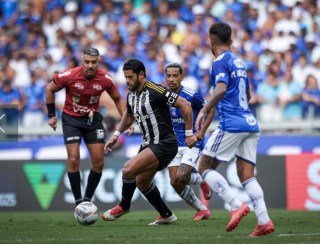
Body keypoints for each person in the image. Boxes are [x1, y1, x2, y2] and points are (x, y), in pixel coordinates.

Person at [195, 22, 274, 237]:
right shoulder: (239, 60)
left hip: (232, 123)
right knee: (246, 175)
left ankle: (235, 204)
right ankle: (264, 221)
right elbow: (247, 95)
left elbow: (220, 89)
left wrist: (204, 109)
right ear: (231, 38)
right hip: (250, 122)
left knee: (203, 167)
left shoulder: (219, 62)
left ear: (211, 39)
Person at [102, 58, 198, 225]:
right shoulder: (131, 94)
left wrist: (189, 134)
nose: (127, 81)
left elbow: (185, 104)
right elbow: (129, 116)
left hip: (165, 143)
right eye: (125, 77)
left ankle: (124, 206)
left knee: (127, 169)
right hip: (148, 143)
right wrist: (116, 134)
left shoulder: (156, 90)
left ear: (141, 75)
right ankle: (166, 214)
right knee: (142, 182)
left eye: (130, 77)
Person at [45, 47, 126, 206]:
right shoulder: (69, 75)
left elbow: (117, 99)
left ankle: (87, 200)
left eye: (93, 62)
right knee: (74, 159)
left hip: (92, 120)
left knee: (98, 162)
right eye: (87, 62)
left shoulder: (105, 79)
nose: (90, 65)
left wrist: (125, 119)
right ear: (82, 61)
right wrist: (51, 115)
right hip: (71, 119)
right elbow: (50, 89)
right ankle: (78, 202)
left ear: (98, 62)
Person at [165, 63, 214, 221]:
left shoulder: (192, 95)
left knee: (183, 176)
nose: (171, 79)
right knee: (175, 182)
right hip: (173, 144)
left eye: (175, 76)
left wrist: (201, 132)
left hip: (191, 142)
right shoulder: (163, 95)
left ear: (181, 77)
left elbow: (211, 109)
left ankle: (202, 179)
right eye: (168, 76)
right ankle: (202, 209)